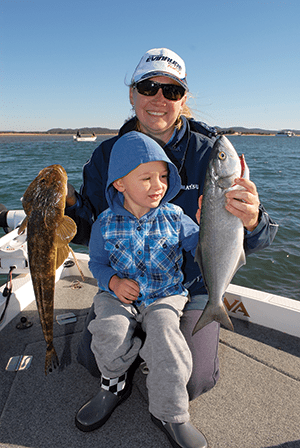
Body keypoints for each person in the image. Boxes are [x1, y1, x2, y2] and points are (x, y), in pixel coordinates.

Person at [65, 48, 278, 443]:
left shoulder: (212, 153)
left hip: (190, 287)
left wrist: (250, 219)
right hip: (125, 285)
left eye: (172, 90)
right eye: (149, 86)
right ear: (132, 94)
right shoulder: (107, 155)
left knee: (193, 381)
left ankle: (156, 358)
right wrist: (70, 206)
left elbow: (257, 238)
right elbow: (90, 231)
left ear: (184, 99)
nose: (159, 97)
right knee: (91, 361)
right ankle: (133, 356)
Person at [75, 131, 208, 447]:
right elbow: (97, 264)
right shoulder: (104, 223)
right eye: (146, 178)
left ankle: (170, 412)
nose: (158, 185)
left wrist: (209, 226)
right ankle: (114, 385)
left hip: (166, 293)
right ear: (119, 183)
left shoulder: (176, 217)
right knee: (108, 327)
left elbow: (202, 249)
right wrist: (113, 283)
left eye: (163, 176)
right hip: (117, 295)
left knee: (166, 335)